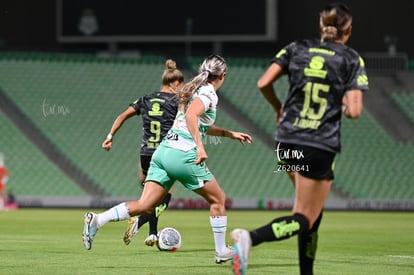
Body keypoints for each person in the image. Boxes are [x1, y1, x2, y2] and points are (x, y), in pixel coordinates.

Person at [231, 3, 368, 275]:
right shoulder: (351, 59)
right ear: (349, 30)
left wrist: (278, 108)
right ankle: (249, 238)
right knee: (305, 217)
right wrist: (339, 100)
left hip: (285, 142)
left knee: (308, 214)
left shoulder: (296, 48)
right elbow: (354, 111)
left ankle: (306, 272)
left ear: (321, 26)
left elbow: (263, 83)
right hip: (318, 145)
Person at [83, 54, 253, 264]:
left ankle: (97, 220)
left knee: (145, 205)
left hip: (162, 153)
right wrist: (200, 147)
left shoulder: (191, 89)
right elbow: (192, 116)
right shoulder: (208, 92)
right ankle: (220, 251)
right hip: (182, 155)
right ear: (223, 75)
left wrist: (230, 133)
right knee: (218, 199)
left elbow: (198, 124)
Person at [101, 59, 185, 247]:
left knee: (150, 195)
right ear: (176, 83)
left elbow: (122, 116)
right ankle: (138, 222)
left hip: (146, 153)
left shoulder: (145, 99)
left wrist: (110, 136)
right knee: (163, 196)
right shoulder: (177, 102)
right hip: (165, 154)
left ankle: (153, 233)